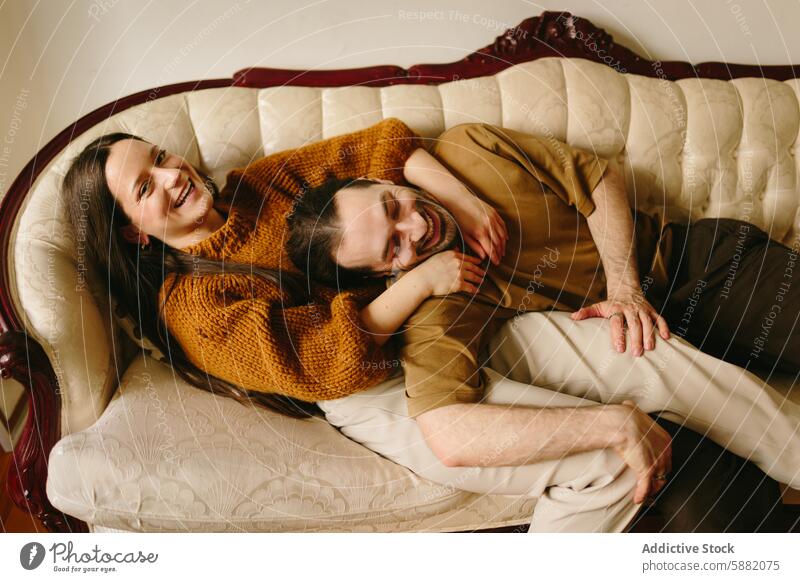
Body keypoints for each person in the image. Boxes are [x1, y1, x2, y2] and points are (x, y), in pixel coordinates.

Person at [63, 119, 791, 532]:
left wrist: (463, 205)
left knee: (635, 355)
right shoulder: (191, 308)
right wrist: (417, 280)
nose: (171, 176)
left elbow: (379, 146)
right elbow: (321, 366)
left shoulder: (262, 181)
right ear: (133, 234)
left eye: (159, 157)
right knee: (601, 458)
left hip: (436, 307)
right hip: (372, 384)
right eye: (145, 188)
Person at [287, 121, 800, 531]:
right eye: (393, 246)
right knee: (724, 531)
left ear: (386, 179)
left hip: (695, 269)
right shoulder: (439, 305)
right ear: (385, 275)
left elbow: (597, 179)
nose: (417, 227)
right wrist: (612, 424)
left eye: (393, 207)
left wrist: (624, 290)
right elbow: (449, 434)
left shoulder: (468, 149)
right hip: (646, 361)